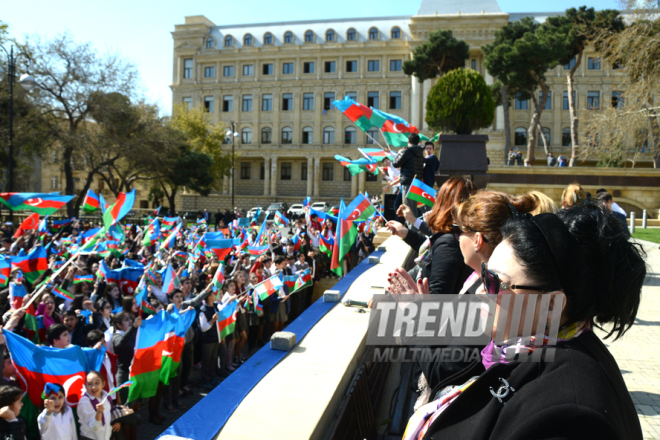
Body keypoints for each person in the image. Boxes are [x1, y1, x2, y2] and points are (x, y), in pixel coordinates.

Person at [408, 202, 646, 439]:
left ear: (551, 306)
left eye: (494, 282)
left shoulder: (570, 419)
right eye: (484, 274)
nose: (481, 292)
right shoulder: (527, 350)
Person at [386, 177, 477, 296]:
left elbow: (437, 301)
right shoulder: (451, 239)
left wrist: (407, 299)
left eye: (437, 200)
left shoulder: (450, 243)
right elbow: (433, 249)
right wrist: (406, 233)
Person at [393, 133, 425, 222]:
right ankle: (414, 230)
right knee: (413, 209)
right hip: (417, 183)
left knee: (408, 209)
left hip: (408, 182)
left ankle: (411, 232)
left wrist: (398, 154)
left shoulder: (406, 151)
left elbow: (395, 164)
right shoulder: (420, 152)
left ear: (408, 141)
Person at [78, 370, 114, 440]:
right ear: (85, 386)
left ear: (103, 384)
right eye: (90, 384)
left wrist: (116, 421)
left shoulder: (107, 396)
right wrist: (99, 412)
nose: (93, 387)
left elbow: (110, 414)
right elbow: (94, 427)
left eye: (97, 383)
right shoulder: (85, 401)